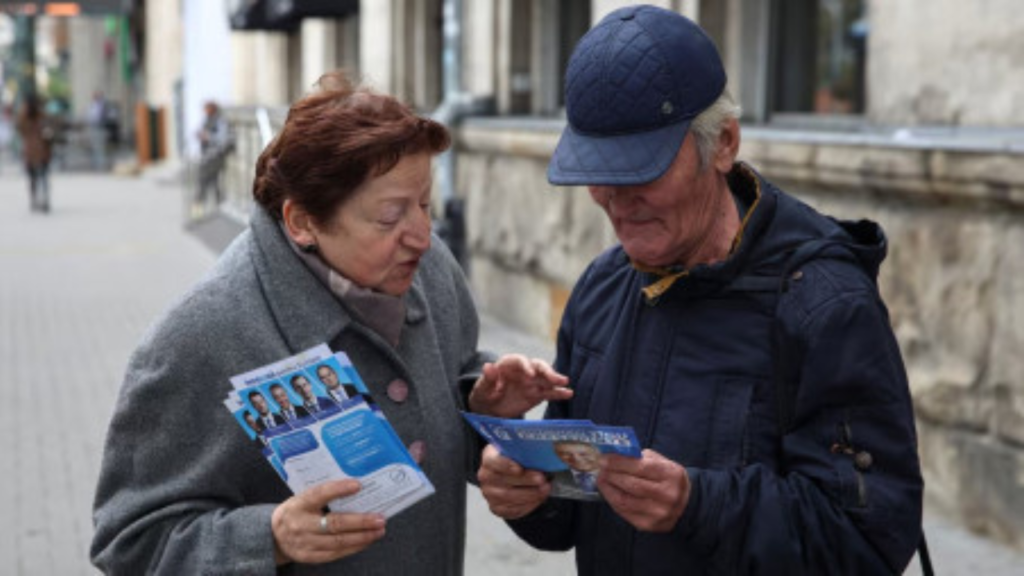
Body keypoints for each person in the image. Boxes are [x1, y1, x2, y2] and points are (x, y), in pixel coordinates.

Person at [476, 6, 924, 575]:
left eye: (639, 172)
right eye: (597, 172)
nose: (615, 200)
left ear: (723, 144)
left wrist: (698, 504)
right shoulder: (603, 287)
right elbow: (571, 513)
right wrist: (524, 487)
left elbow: (869, 541)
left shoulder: (824, 304)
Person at [90, 69, 571, 575]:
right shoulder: (197, 339)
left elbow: (452, 378)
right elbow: (129, 540)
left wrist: (483, 403)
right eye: (390, 217)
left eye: (424, 204)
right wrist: (270, 537)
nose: (422, 235)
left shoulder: (430, 271)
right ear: (302, 223)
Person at [15, 94, 53, 213]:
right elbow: (49, 130)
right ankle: (43, 199)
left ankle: (35, 200)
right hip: (42, 149)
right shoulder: (41, 115)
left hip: (31, 150)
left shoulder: (23, 116)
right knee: (43, 176)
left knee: (33, 177)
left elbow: (19, 130)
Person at [195, 99, 232, 206]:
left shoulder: (220, 120)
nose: (205, 111)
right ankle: (202, 204)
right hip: (207, 156)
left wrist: (208, 137)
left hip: (216, 156)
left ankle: (217, 204)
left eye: (207, 109)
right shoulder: (207, 119)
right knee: (204, 181)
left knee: (215, 182)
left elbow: (223, 138)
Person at [86, 91, 110, 171]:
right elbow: (89, 115)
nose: (95, 97)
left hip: (100, 127)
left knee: (100, 147)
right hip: (92, 127)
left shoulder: (103, 105)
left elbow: (104, 116)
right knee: (94, 147)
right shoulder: (92, 105)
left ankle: (101, 164)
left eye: (97, 96)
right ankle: (95, 164)